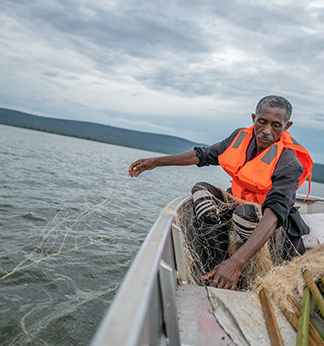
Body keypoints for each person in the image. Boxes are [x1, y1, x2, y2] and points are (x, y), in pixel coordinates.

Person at [128, 95, 313, 290]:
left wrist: (236, 263)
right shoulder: (240, 137)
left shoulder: (289, 162)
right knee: (201, 191)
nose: (267, 131)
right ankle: (217, 266)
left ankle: (239, 272)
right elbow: (203, 155)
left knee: (244, 215)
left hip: (270, 224)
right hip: (239, 204)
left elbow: (274, 215)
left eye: (276, 125)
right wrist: (157, 162)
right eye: (262, 122)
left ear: (287, 126)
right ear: (253, 118)